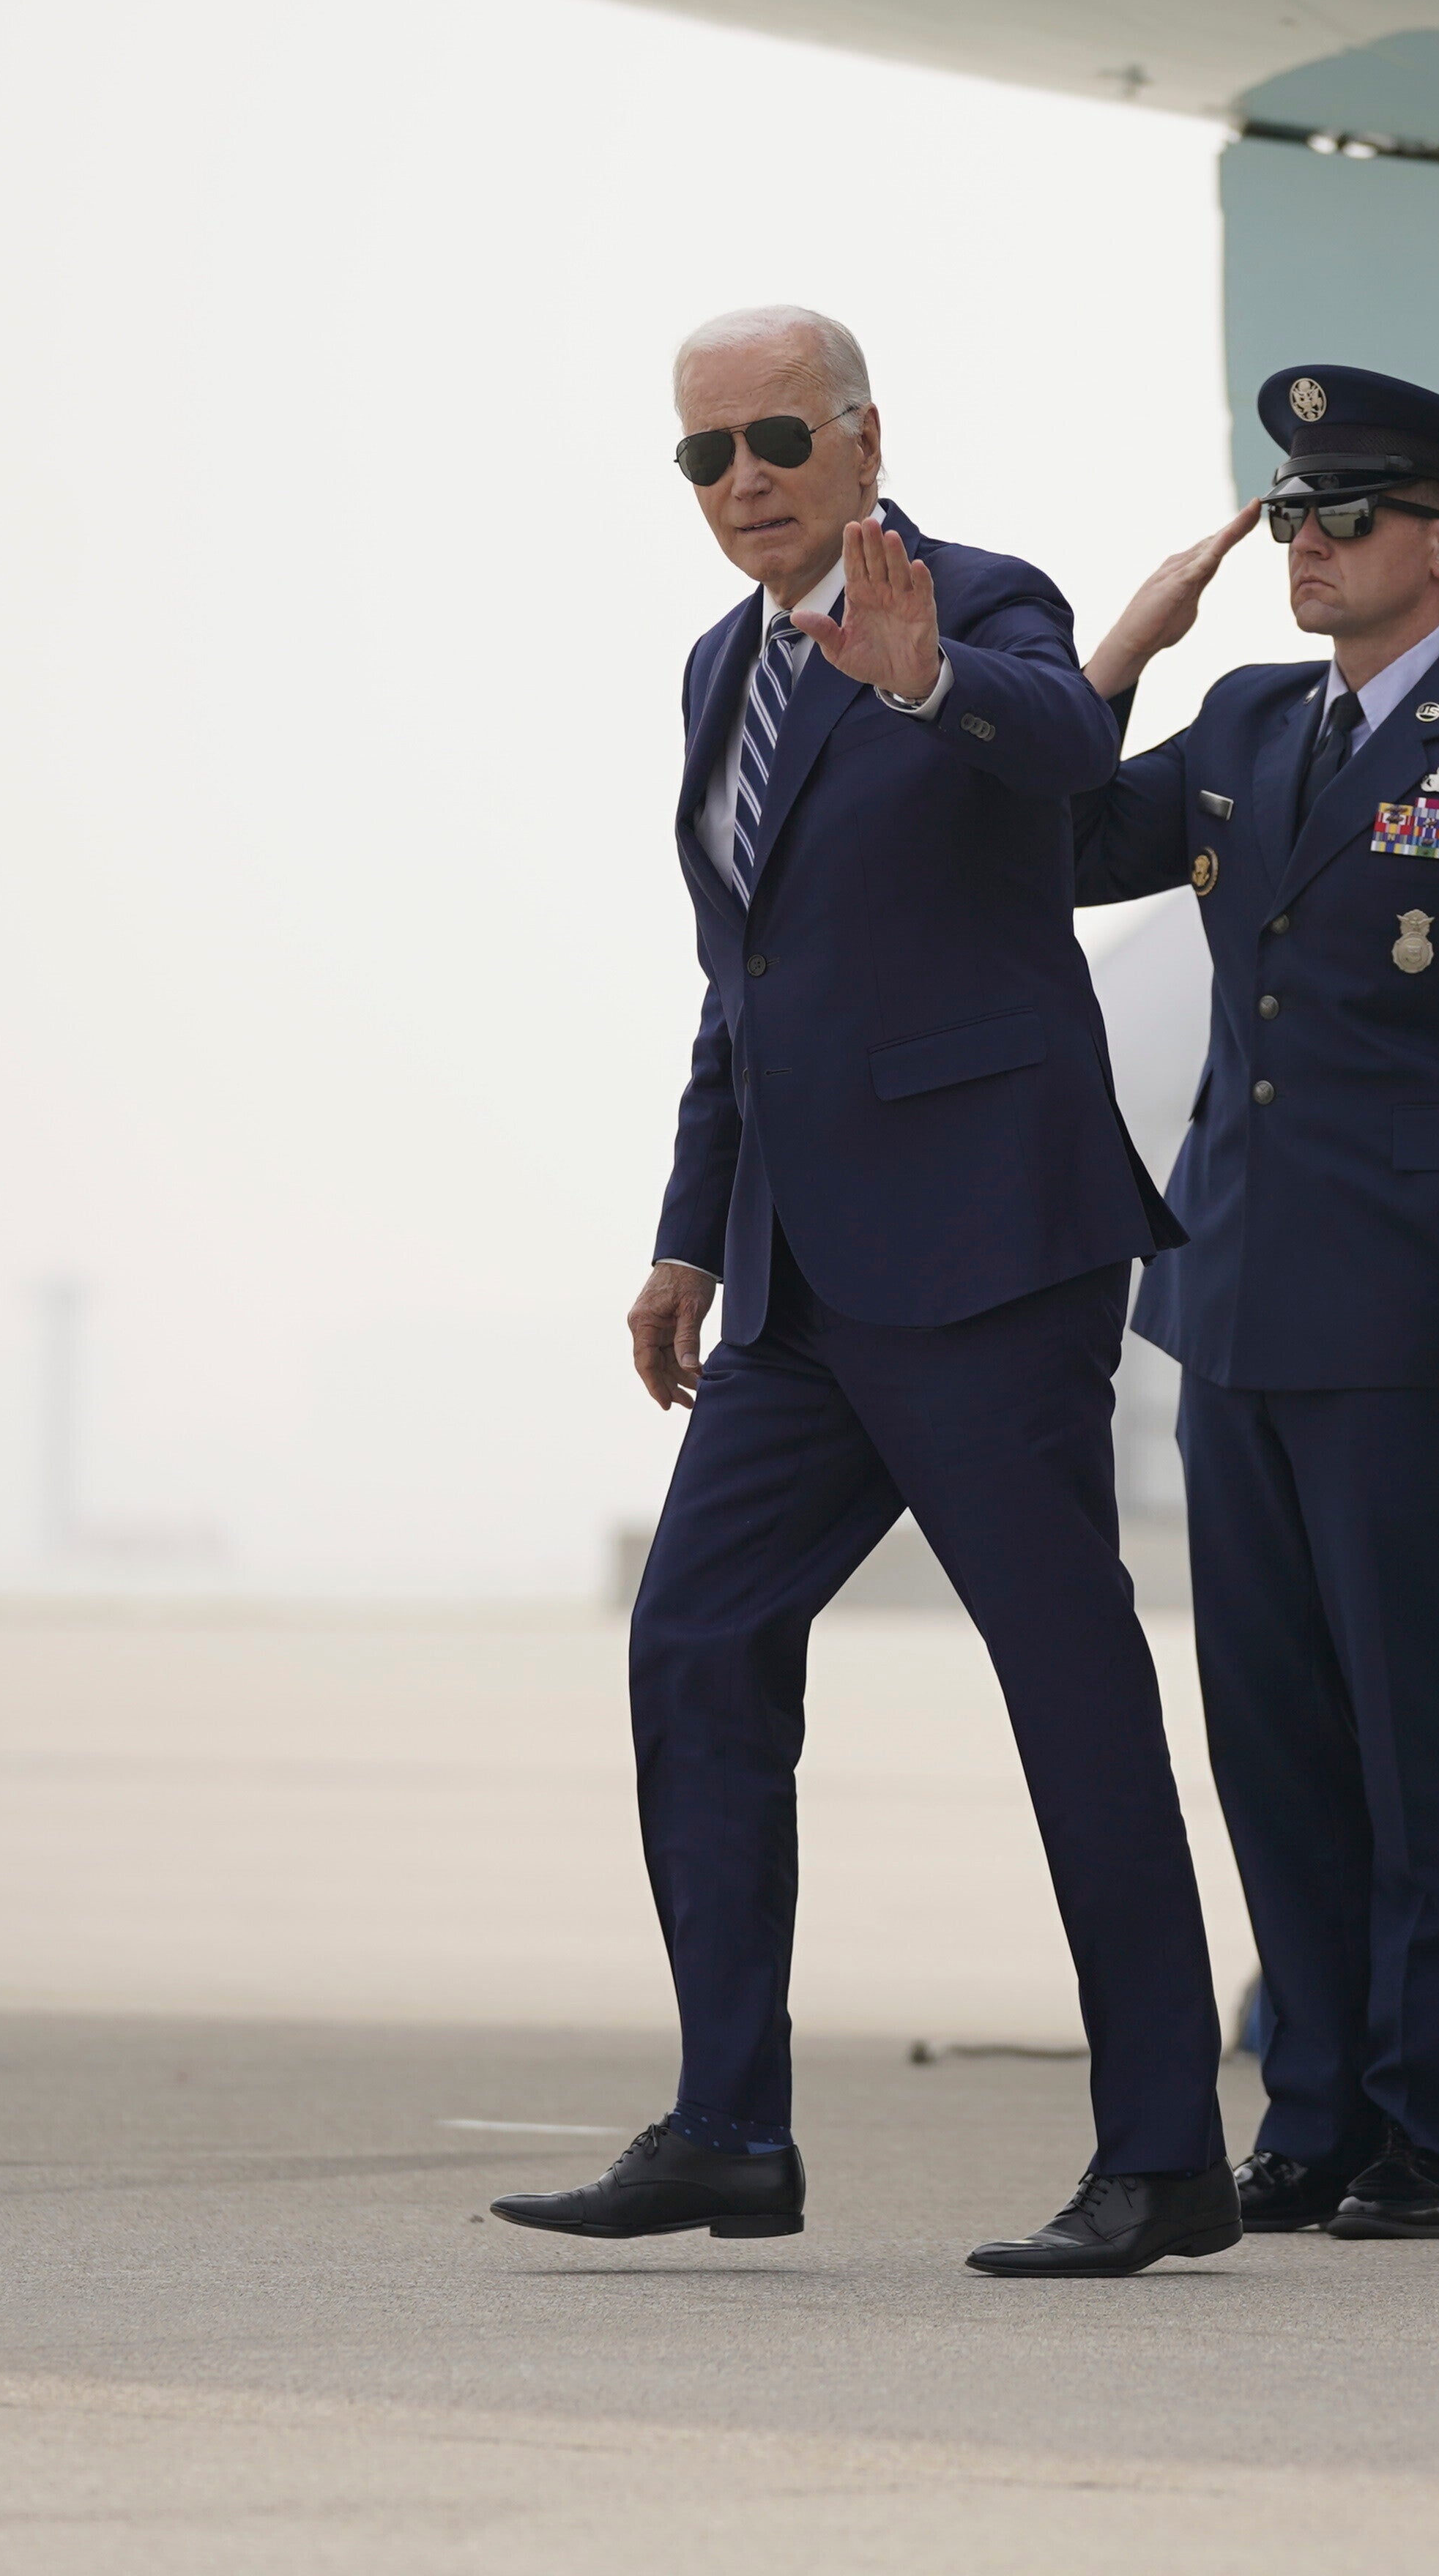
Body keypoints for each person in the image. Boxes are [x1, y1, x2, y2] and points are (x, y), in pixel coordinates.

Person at [489, 304, 1238, 2281]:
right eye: (706, 455)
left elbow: (1076, 762)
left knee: (1066, 1686)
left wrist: (925, 689)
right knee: (695, 1642)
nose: (742, 482)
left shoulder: (975, 604)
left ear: (861, 440)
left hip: (991, 1252)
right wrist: (685, 1228)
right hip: (797, 1286)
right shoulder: (712, 672)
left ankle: (1164, 2157)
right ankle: (732, 2123)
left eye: (775, 443)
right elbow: (748, 990)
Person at [1074, 368, 1439, 2242]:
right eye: (1292, 517)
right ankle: (1307, 2109)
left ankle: (1423, 2129)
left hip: (1414, 1331)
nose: (1305, 550)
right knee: (1275, 1741)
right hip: (1234, 1306)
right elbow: (1070, 850)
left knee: (1426, 1737)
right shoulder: (1248, 718)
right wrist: (1116, 662)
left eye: (1348, 520)